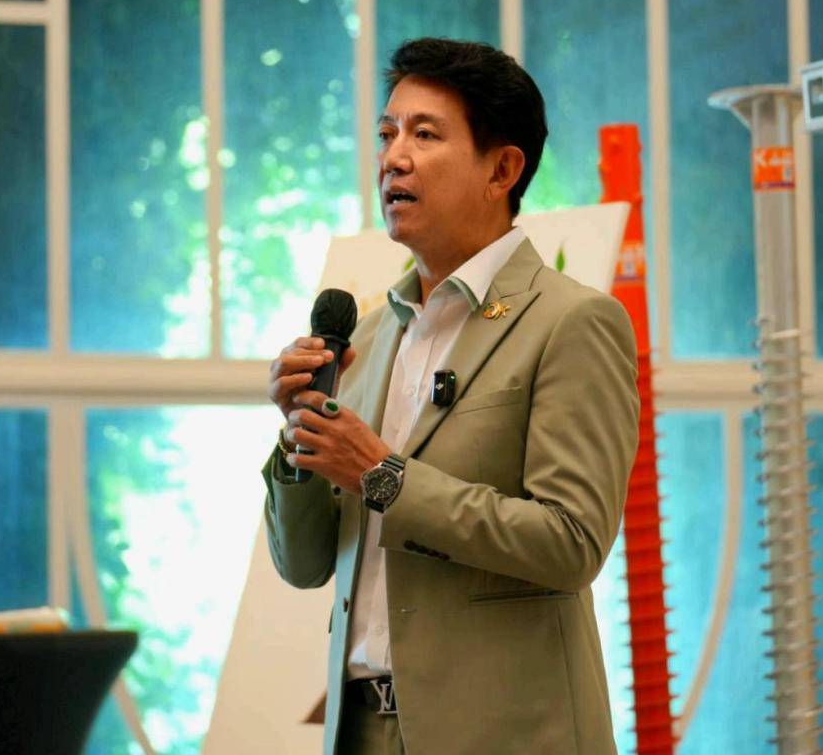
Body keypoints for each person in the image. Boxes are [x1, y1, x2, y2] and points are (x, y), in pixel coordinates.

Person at [261, 37, 639, 755]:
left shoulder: (571, 321)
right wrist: (297, 439)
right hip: (360, 728)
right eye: (387, 134)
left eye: (424, 135)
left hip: (505, 736)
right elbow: (304, 565)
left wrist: (382, 475)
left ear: (502, 169)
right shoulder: (366, 337)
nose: (393, 158)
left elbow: (572, 541)